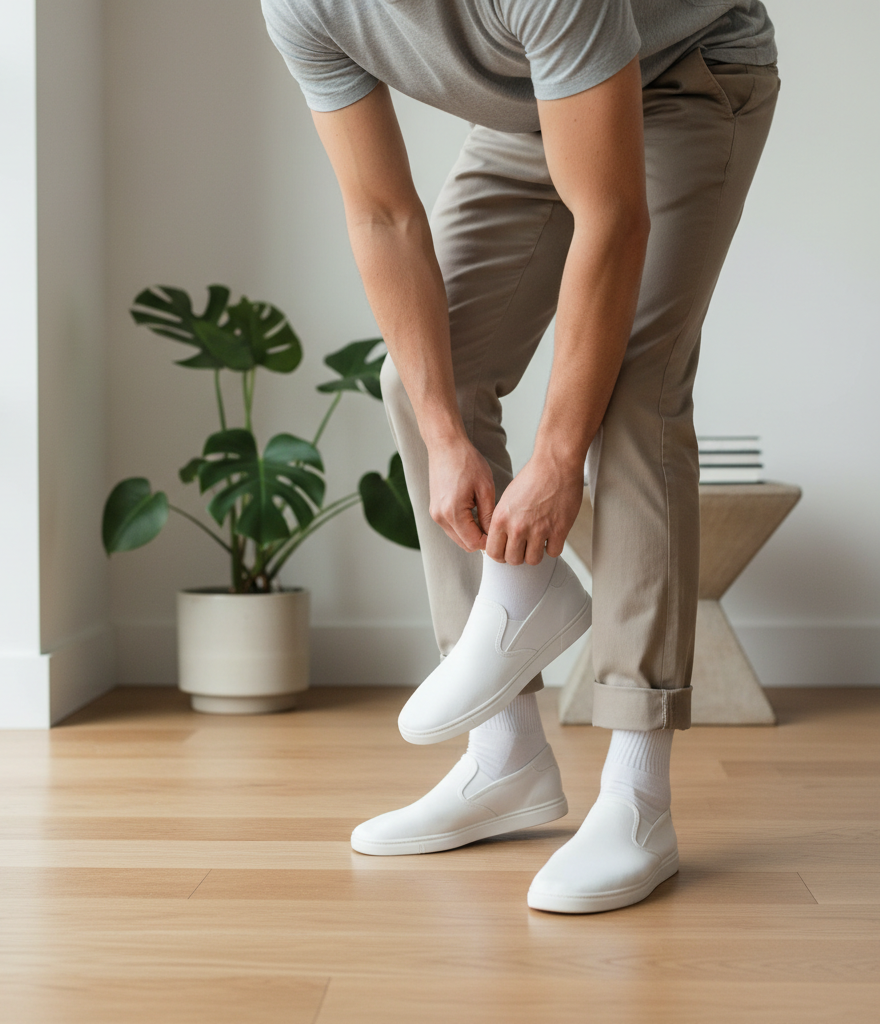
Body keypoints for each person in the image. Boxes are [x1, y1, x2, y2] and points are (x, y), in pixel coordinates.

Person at [261, 0, 778, 912]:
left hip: (686, 75)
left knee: (634, 392)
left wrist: (554, 459)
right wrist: (444, 434)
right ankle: (505, 756)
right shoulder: (300, 6)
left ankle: (637, 795)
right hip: (537, 104)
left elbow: (611, 216)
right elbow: (383, 216)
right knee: (423, 378)